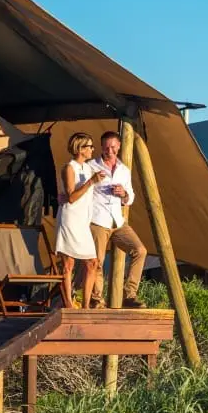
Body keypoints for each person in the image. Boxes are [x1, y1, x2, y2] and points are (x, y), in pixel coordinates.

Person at [87, 130, 147, 308]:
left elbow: (131, 197)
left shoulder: (123, 170)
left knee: (140, 250)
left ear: (119, 146)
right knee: (97, 261)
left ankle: (129, 295)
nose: (110, 151)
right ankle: (96, 299)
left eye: (113, 147)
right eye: (106, 148)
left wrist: (124, 194)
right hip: (97, 219)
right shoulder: (91, 166)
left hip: (117, 220)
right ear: (101, 147)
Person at [55, 132, 106, 308]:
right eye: (90, 146)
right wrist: (91, 182)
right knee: (68, 264)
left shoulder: (88, 168)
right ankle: (69, 304)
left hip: (83, 220)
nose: (92, 149)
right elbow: (71, 197)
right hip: (70, 218)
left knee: (92, 263)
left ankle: (85, 306)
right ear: (80, 148)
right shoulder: (69, 168)